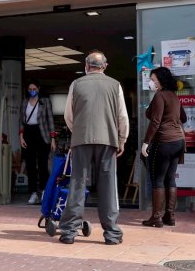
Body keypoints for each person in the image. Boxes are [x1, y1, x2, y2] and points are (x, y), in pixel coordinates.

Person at [59, 51, 129, 245]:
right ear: (104, 66)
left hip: (81, 139)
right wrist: (121, 139)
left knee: (77, 183)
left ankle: (69, 232)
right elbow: (122, 116)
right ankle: (112, 234)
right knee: (108, 185)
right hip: (108, 140)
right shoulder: (115, 85)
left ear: (86, 66)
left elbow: (68, 116)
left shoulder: (76, 84)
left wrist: (79, 130)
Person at [141, 67, 187, 227]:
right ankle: (170, 216)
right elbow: (184, 117)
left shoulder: (160, 95)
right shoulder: (174, 96)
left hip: (164, 141)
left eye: (153, 80)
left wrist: (146, 143)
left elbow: (155, 121)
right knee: (170, 178)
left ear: (161, 81)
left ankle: (156, 217)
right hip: (178, 141)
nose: (151, 83)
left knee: (158, 179)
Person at [19, 80, 56, 205]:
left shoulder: (44, 102)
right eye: (30, 89)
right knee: (30, 165)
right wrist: (21, 136)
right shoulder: (24, 102)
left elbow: (50, 119)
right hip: (28, 133)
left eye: (34, 88)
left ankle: (44, 191)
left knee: (43, 165)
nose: (32, 91)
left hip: (42, 134)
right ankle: (33, 192)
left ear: (39, 89)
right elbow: (21, 120)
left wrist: (52, 139)